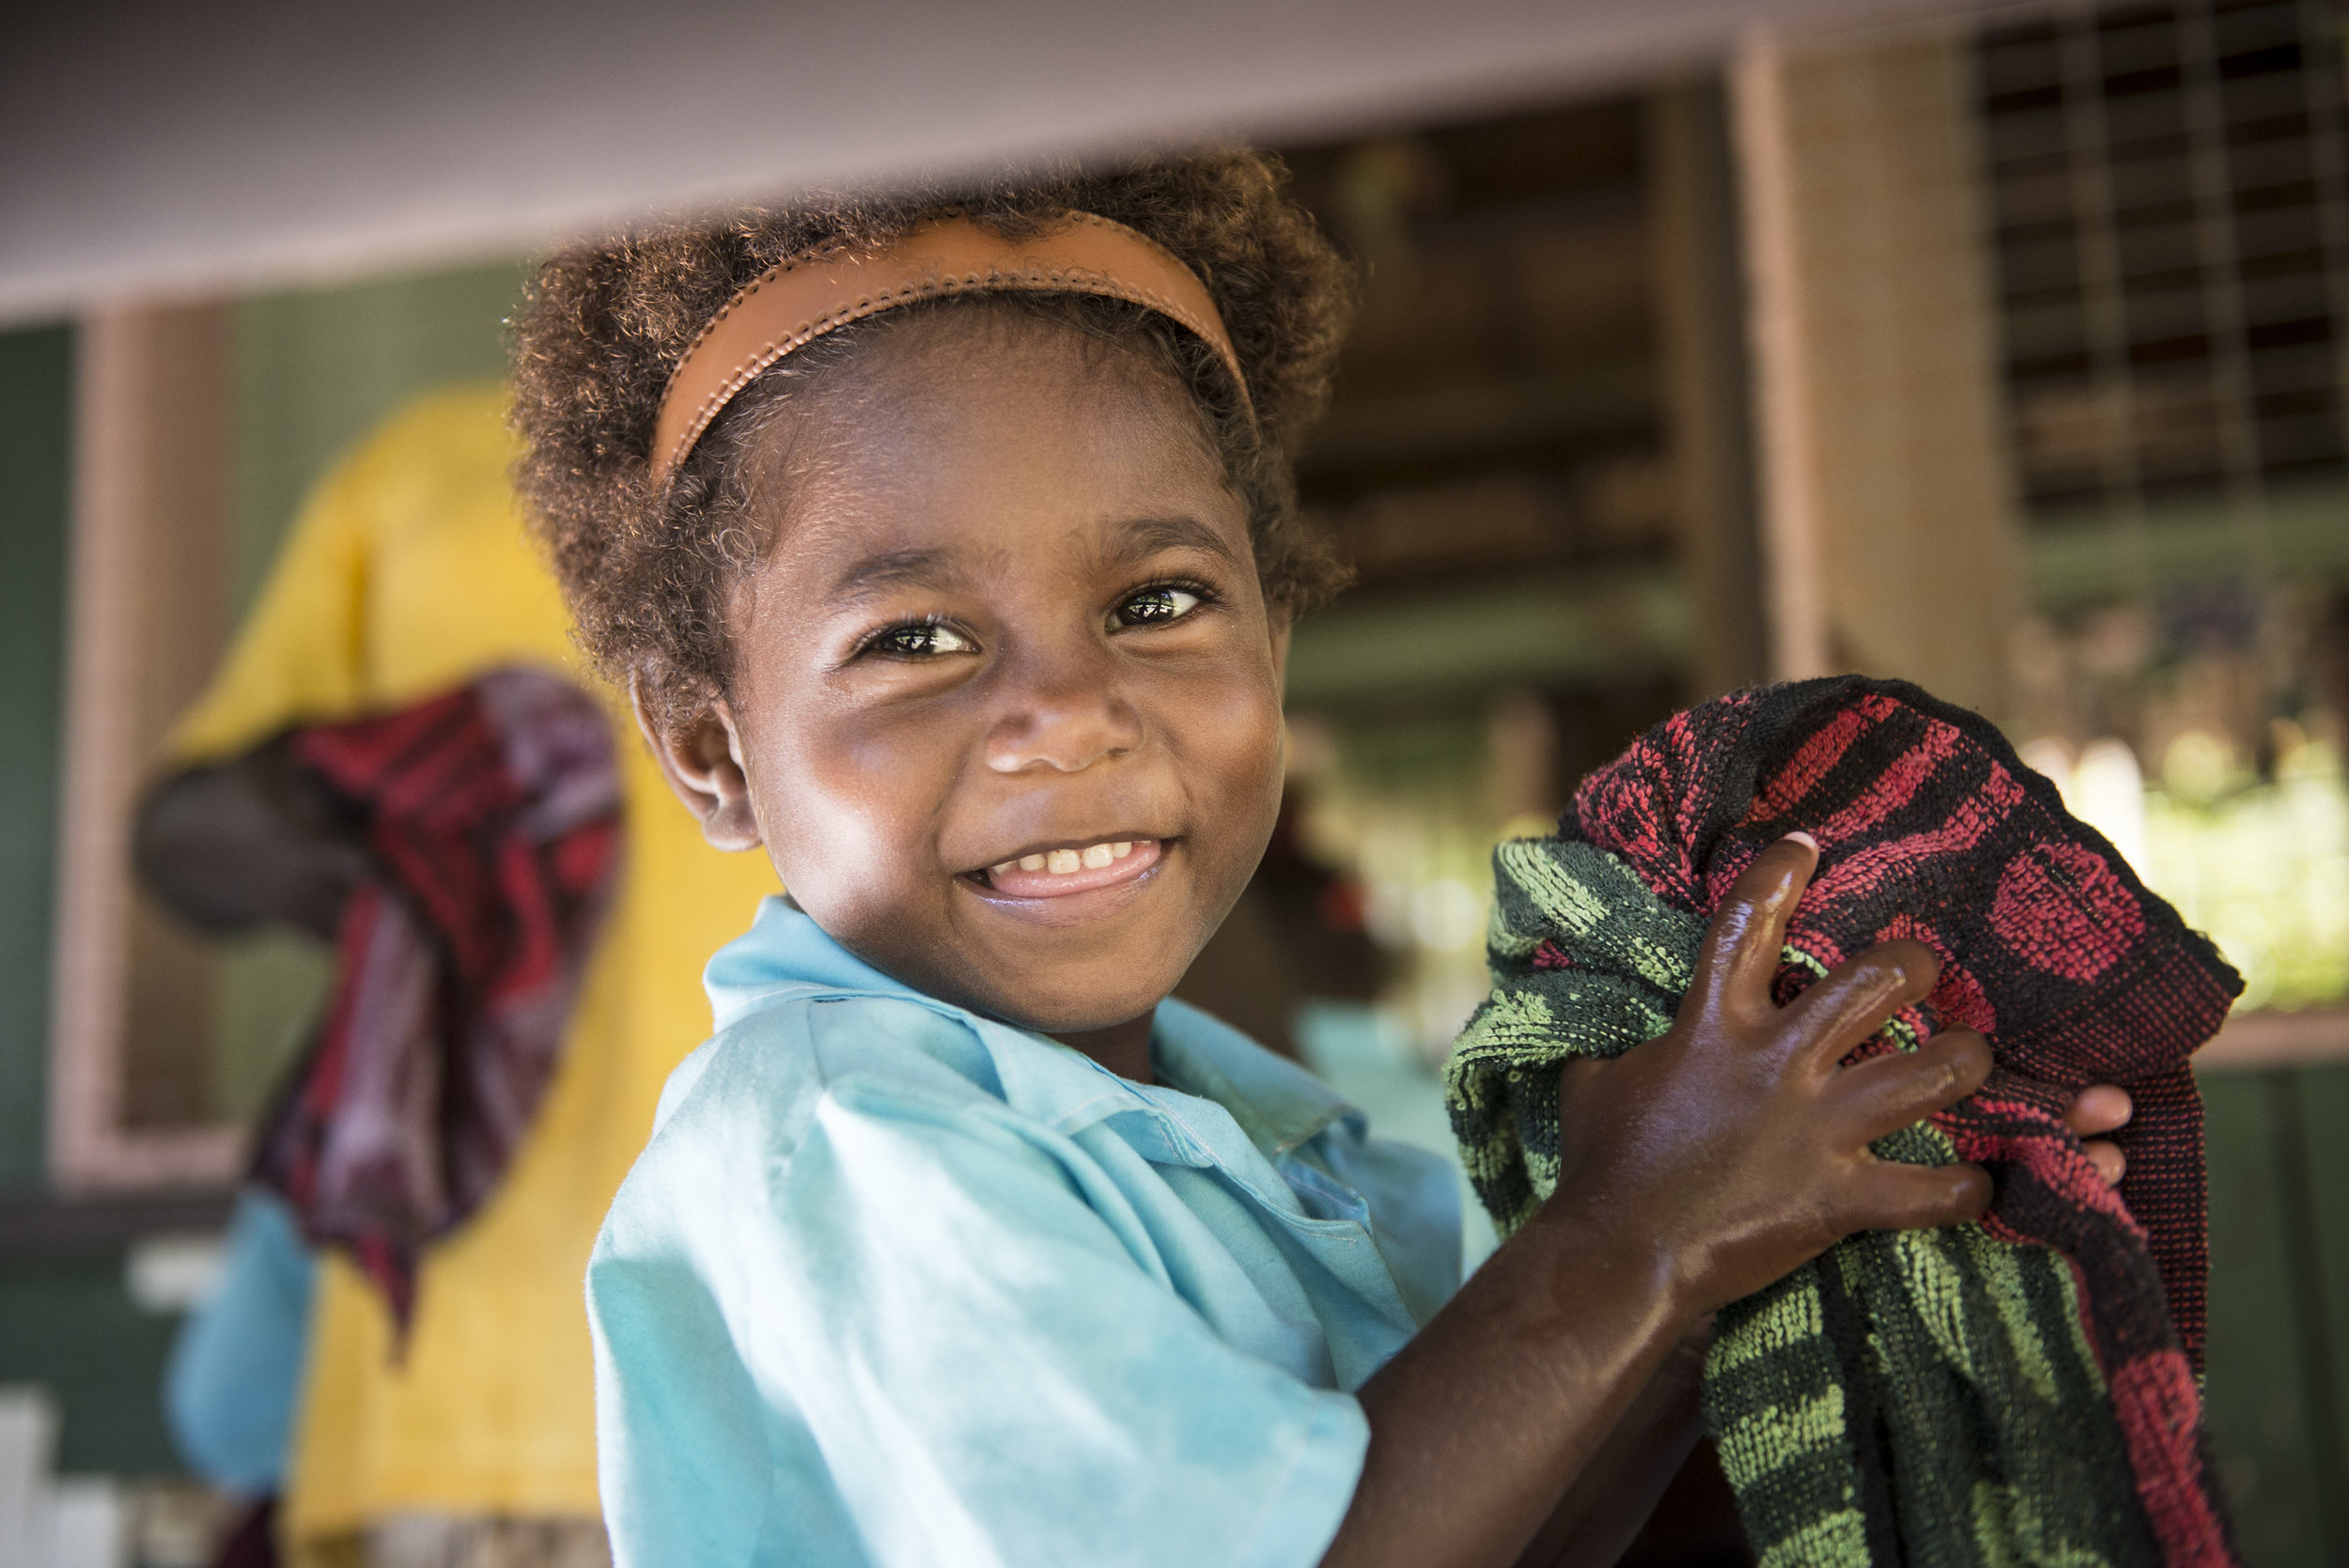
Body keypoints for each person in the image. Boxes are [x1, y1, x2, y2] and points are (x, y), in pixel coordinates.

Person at [506, 153, 2136, 1567]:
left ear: (1275, 644)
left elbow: (1508, 1522)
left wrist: (1815, 1200)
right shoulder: (837, 1138)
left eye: (1157, 603)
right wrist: (1637, 1233)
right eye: (915, 637)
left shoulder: (1280, 1146)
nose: (1069, 714)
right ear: (713, 743)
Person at [137, 385, 781, 1565]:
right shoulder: (417, 474)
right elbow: (184, 832)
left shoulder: (874, 423)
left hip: (774, 1391)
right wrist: (393, 838)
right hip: (432, 1409)